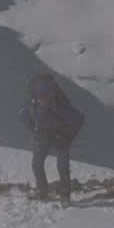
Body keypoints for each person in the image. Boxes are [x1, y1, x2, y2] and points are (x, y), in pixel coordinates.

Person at [17, 73, 85, 203]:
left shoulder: (60, 104)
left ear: (51, 94)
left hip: (60, 135)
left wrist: (67, 136)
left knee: (62, 165)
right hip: (44, 135)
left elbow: (79, 119)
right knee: (37, 164)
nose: (43, 100)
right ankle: (42, 192)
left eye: (46, 96)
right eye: (41, 97)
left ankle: (64, 195)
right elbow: (23, 116)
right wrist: (35, 130)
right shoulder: (33, 103)